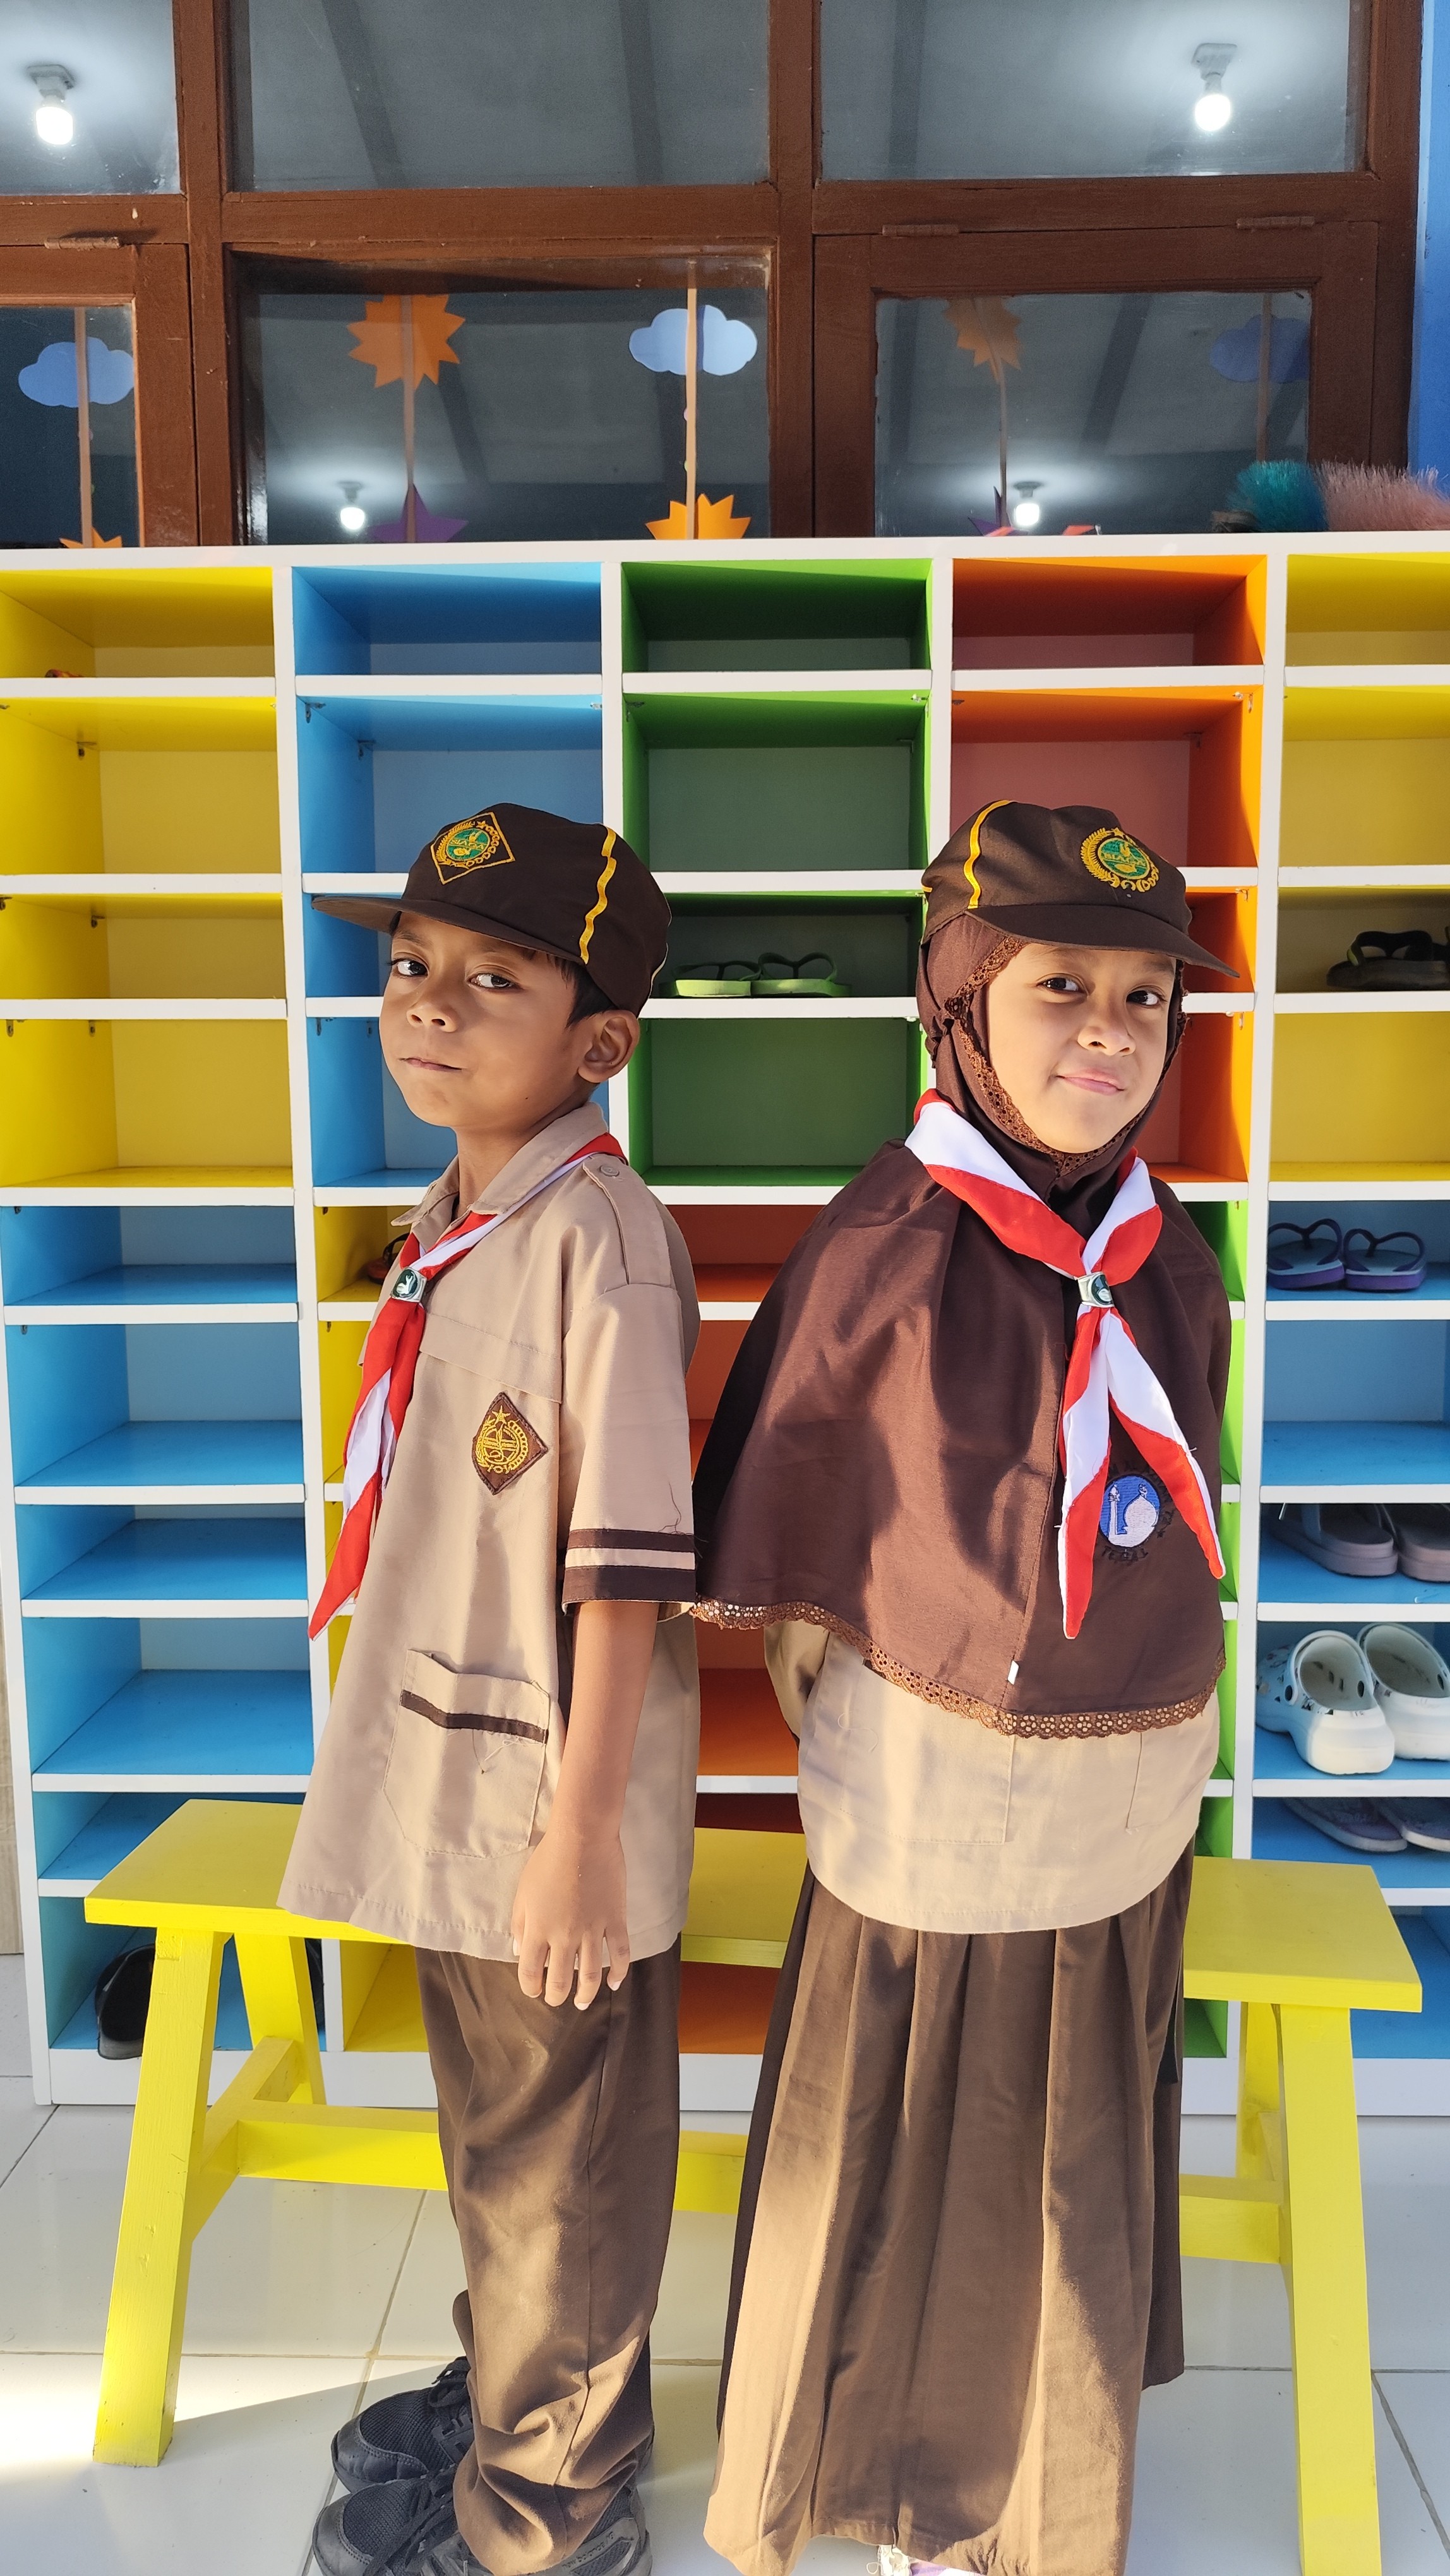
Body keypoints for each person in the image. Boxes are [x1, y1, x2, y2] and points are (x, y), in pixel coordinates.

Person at [693, 801, 1234, 2576]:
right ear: (961, 1006)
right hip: (939, 1809)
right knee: (912, 2149)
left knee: (1068, 2146)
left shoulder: (1171, 1250)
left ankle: (1037, 2487)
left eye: (1147, 1001)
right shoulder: (892, 1242)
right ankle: (888, 2480)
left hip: (1126, 1786)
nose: (1108, 1031)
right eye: (1059, 984)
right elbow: (806, 1531)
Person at [279, 804, 699, 2576]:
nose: (430, 1007)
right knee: (497, 2138)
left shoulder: (597, 1239)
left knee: (562, 2163)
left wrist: (585, 1835)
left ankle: (551, 2509)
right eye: (410, 969)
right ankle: (528, 2386)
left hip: (548, 1806)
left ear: (598, 1042)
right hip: (454, 1776)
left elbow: (622, 1565)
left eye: (494, 978)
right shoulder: (460, 1214)